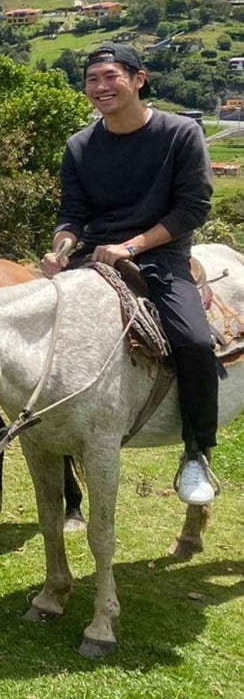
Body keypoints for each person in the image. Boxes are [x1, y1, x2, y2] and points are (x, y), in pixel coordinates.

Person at [41, 43, 219, 506]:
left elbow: (192, 208)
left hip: (161, 258)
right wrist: (61, 250)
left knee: (195, 340)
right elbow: (72, 214)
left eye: (110, 76)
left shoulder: (180, 133)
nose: (100, 88)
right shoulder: (80, 146)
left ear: (139, 79)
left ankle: (197, 451)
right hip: (95, 260)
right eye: (92, 80)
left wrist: (131, 246)